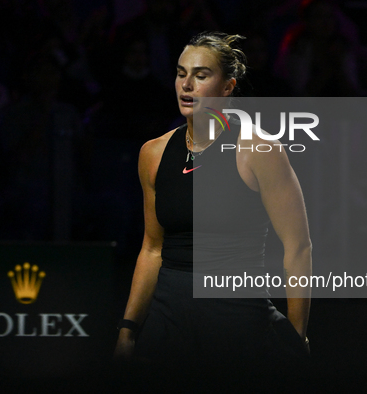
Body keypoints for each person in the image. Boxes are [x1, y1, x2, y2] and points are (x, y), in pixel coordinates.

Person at [113, 32, 312, 393]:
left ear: (227, 87)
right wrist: (128, 328)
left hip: (237, 316)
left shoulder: (259, 150)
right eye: (180, 73)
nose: (186, 84)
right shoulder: (153, 153)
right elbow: (152, 248)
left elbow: (298, 247)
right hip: (167, 317)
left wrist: (297, 336)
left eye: (201, 75)